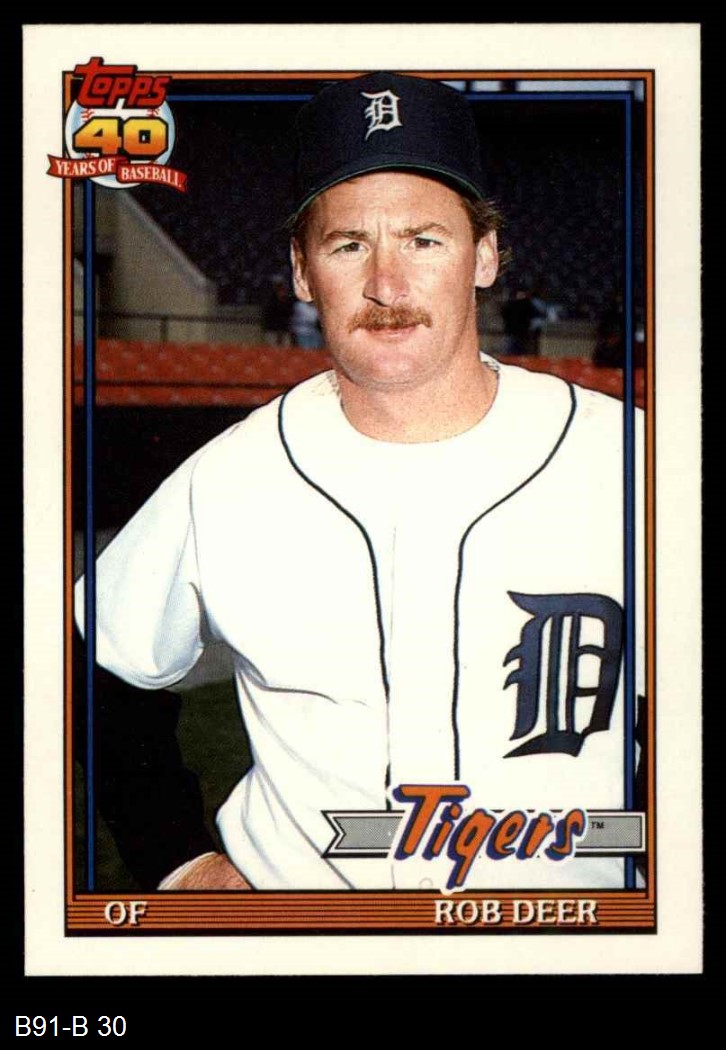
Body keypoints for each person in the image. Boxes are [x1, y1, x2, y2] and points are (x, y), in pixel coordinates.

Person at [76, 72, 644, 893]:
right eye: (348, 245)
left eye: (424, 240)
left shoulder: (626, 457)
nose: (387, 284)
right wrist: (178, 860)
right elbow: (96, 655)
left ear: (485, 255)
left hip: (563, 934)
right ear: (303, 273)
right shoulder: (228, 476)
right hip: (309, 937)